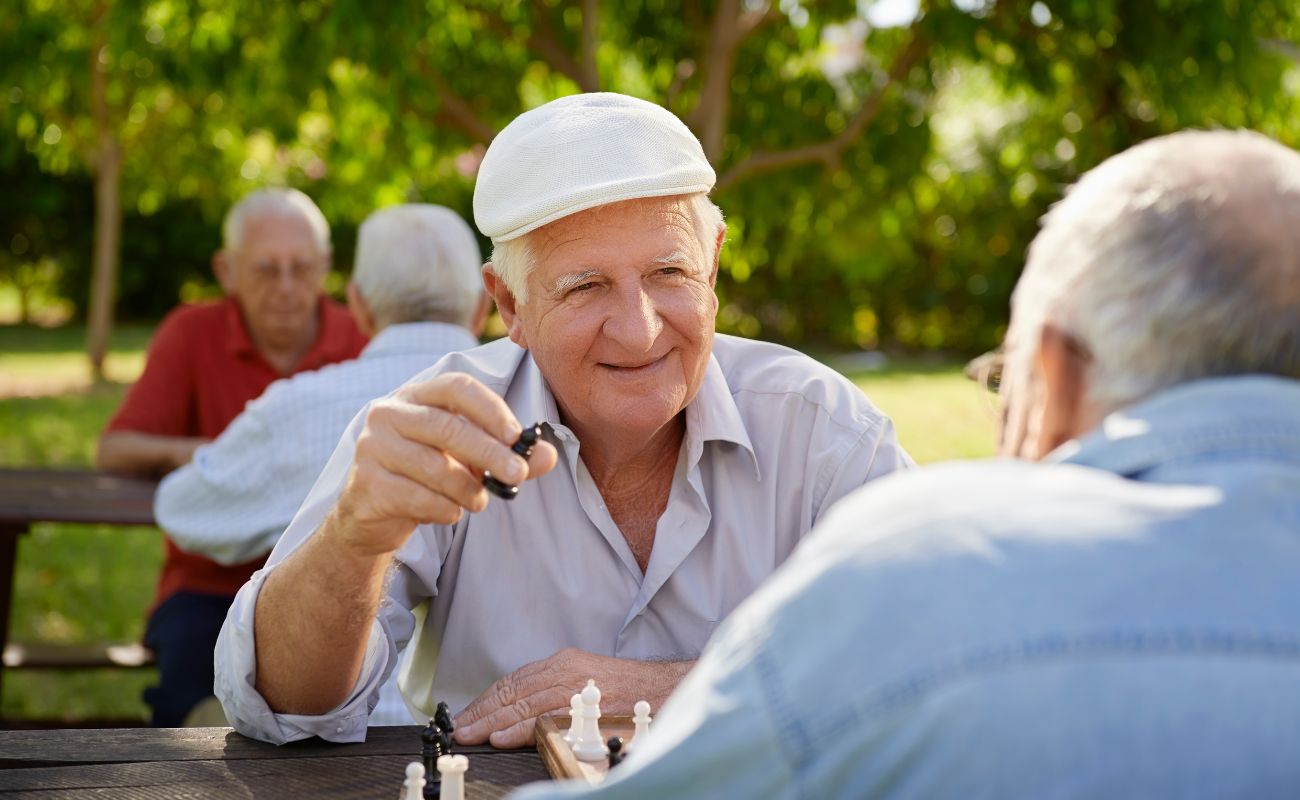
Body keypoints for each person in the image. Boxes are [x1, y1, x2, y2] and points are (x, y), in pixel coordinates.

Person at [510, 129, 1300, 799]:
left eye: (1004, 376)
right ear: (508, 306)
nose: (640, 329)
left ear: (1053, 373)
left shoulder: (937, 562)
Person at [214, 93, 913, 746]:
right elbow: (280, 709)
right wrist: (350, 540)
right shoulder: (435, 423)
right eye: (585, 286)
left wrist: (664, 689)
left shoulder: (823, 431)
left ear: (715, 264)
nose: (639, 333)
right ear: (509, 305)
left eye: (670, 273)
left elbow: (941, 649)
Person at [154, 204, 488, 725]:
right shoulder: (546, 410)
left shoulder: (293, 409)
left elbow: (182, 510)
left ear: (357, 305)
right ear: (482, 306)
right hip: (502, 740)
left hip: (323, 737)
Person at [98, 187, 368, 727]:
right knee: (192, 708)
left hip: (335, 576)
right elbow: (115, 448)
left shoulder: (358, 336)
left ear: (326, 268)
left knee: (352, 712)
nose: (288, 288)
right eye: (267, 270)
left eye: (302, 268)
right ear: (227, 270)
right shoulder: (192, 333)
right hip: (209, 582)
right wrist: (212, 455)